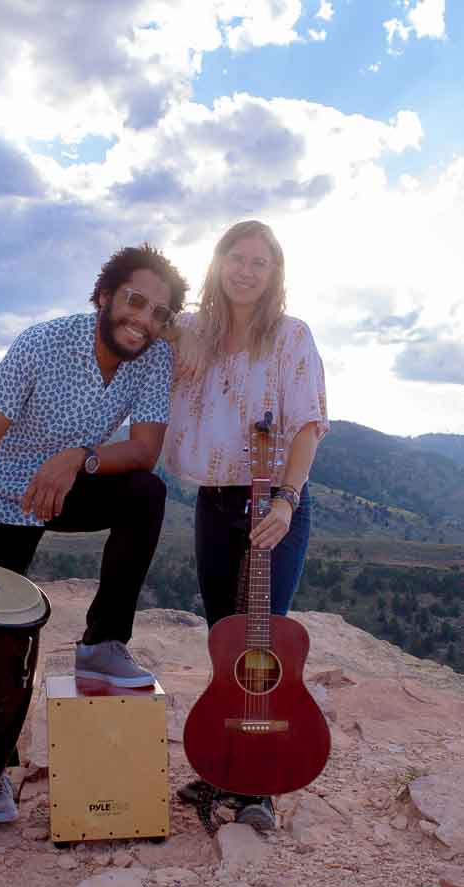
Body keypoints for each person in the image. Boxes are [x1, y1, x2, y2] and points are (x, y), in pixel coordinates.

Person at [0, 243, 188, 822]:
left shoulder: (153, 357)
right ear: (104, 296)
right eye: (135, 301)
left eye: (159, 312)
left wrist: (79, 458)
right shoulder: (41, 343)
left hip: (71, 483)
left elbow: (145, 451)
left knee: (146, 495)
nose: (144, 320)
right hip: (6, 496)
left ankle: (102, 645)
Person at [163, 220, 328, 832]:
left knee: (264, 645)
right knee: (223, 639)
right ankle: (221, 767)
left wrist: (286, 501)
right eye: (237, 257)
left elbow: (308, 424)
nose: (247, 270)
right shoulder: (194, 334)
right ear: (218, 262)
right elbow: (140, 323)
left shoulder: (291, 336)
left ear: (275, 273)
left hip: (275, 502)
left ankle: (258, 788)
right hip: (215, 503)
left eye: (261, 261)